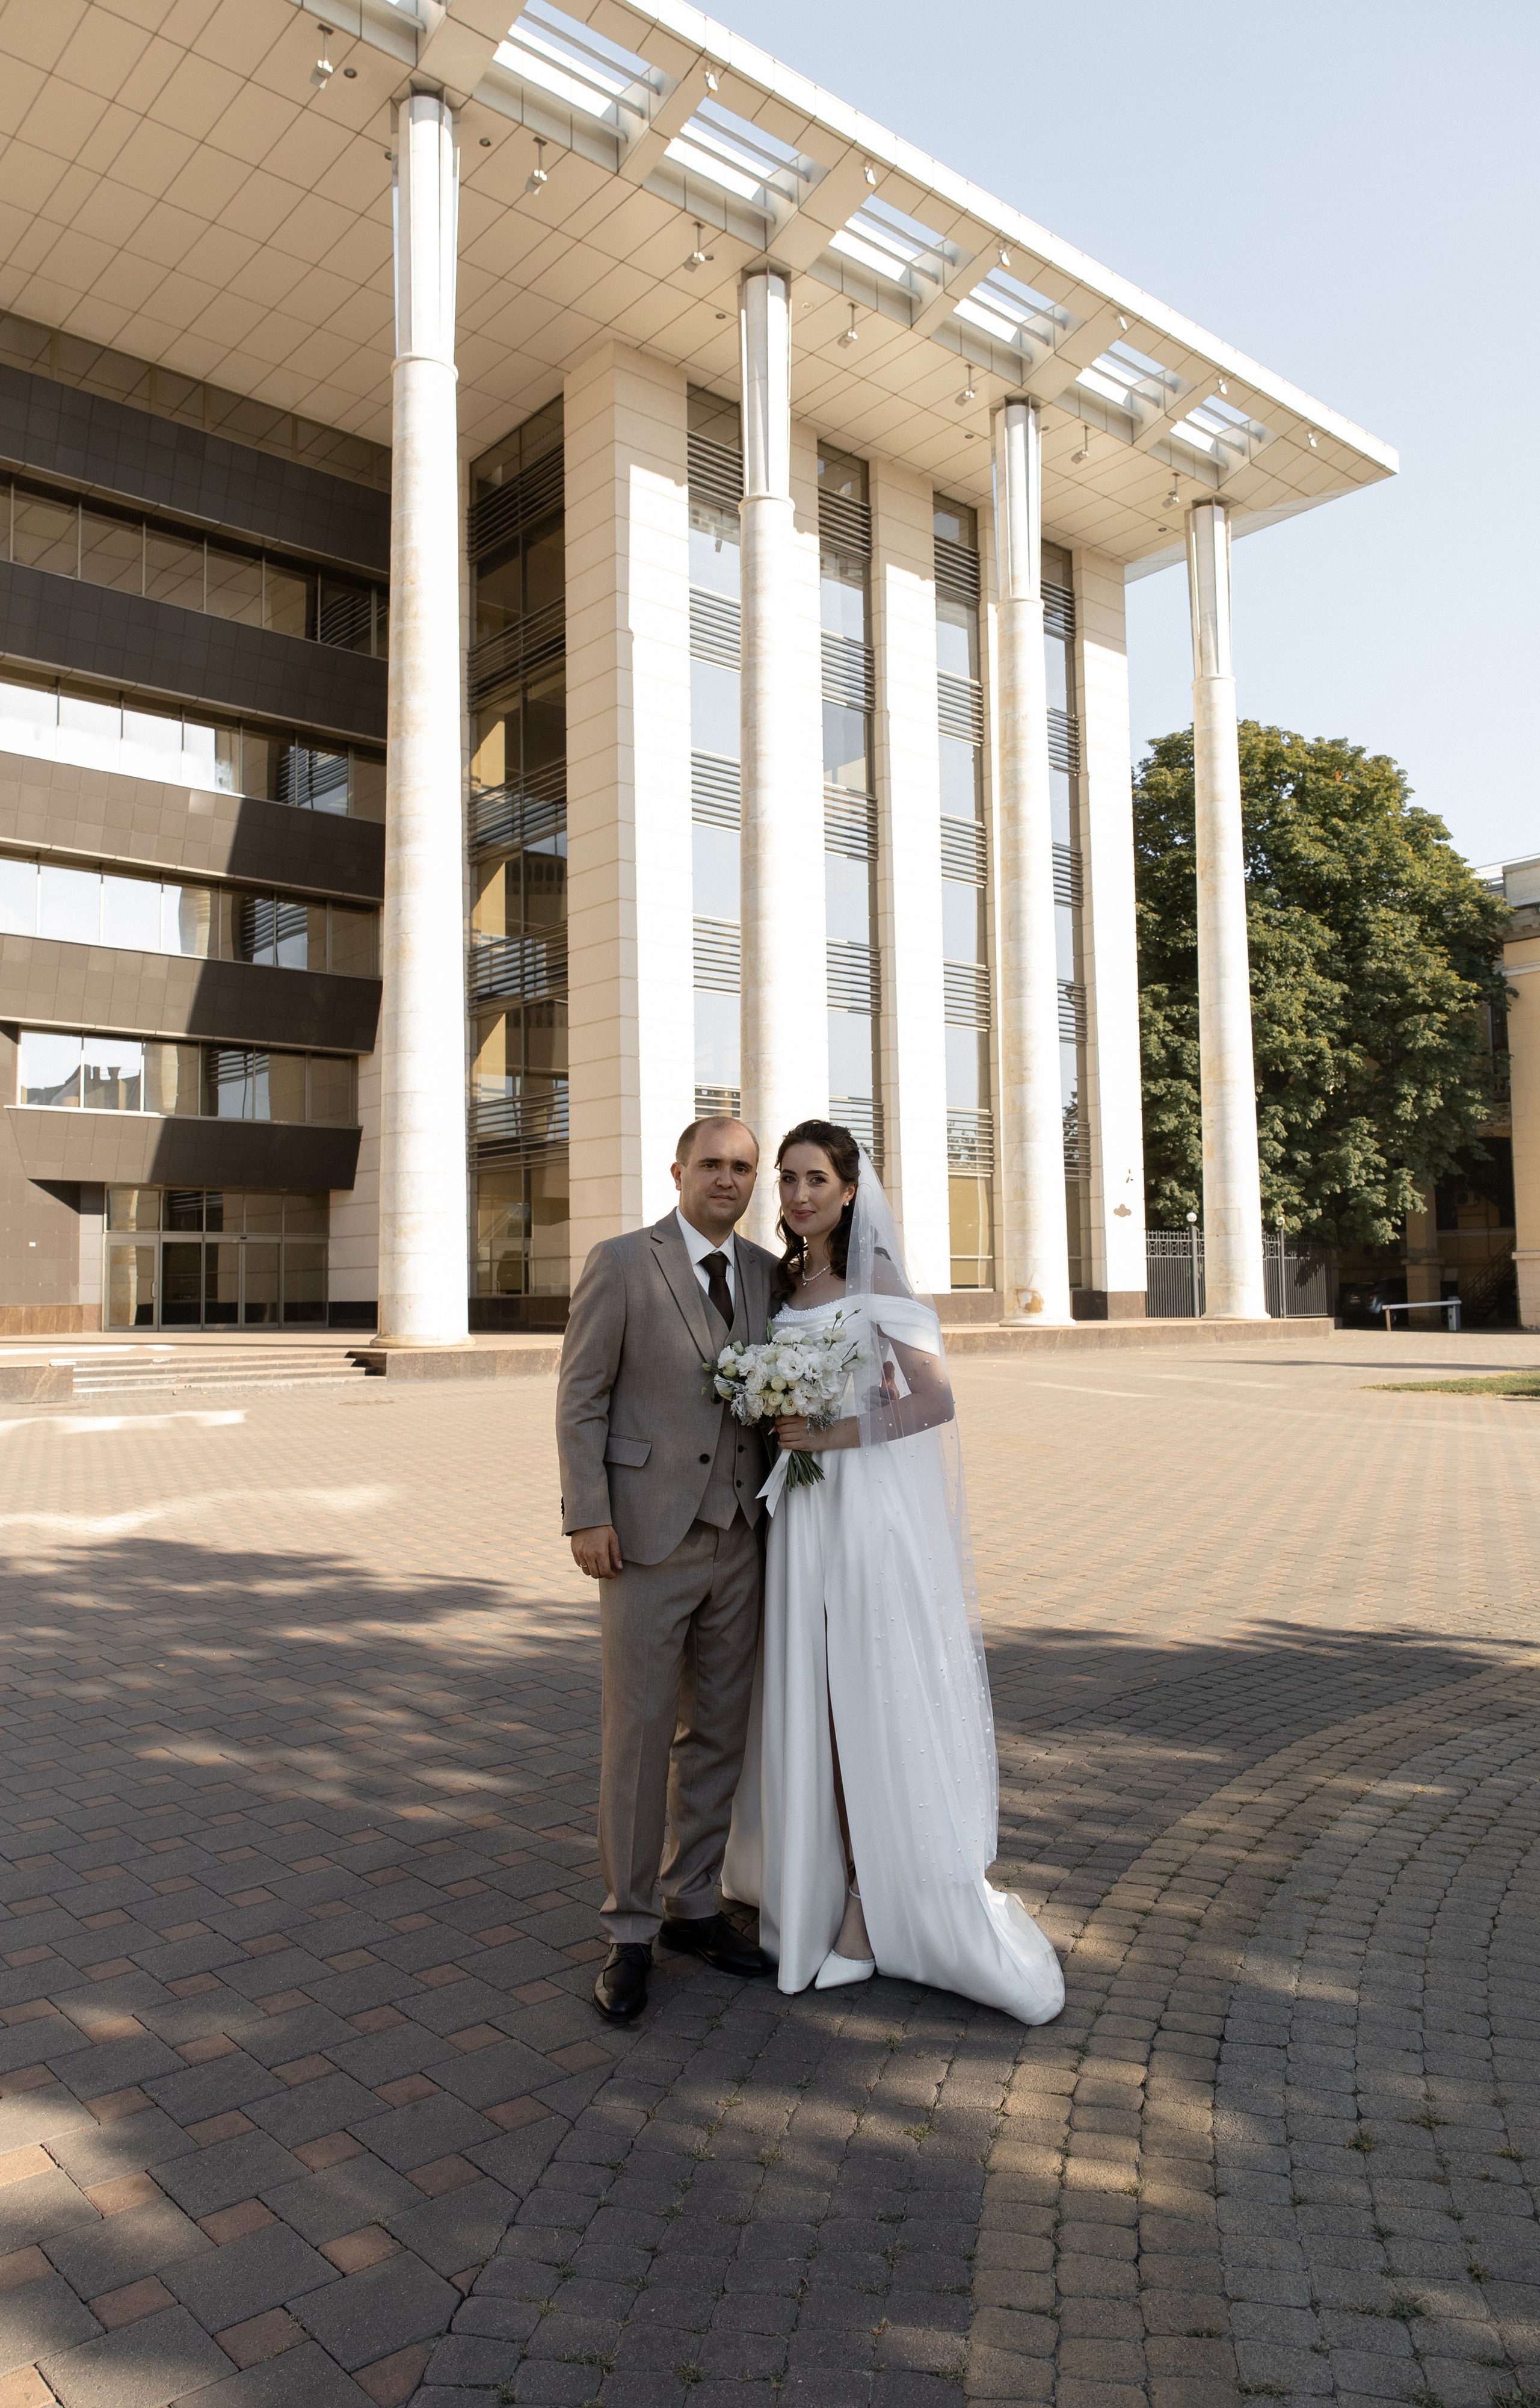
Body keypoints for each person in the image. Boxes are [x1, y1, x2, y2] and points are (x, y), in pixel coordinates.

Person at [723, 1120, 1065, 2025]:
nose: (797, 1195)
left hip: (864, 1517)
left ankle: (873, 1915)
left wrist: (824, 1432)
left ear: (849, 1189)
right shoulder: (783, 1280)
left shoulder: (878, 1281)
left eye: (815, 1180)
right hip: (801, 1517)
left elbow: (936, 1396)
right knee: (814, 1698)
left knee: (868, 1698)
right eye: (788, 1180)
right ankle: (817, 1886)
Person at [556, 1117, 778, 2024]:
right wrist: (589, 1514)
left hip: (743, 1536)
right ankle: (630, 1930)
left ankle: (694, 1904)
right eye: (713, 1165)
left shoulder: (769, 1273)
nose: (727, 1180)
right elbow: (580, 1399)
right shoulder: (622, 1262)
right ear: (678, 1170)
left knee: (720, 1732)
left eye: (742, 1167)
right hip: (643, 1539)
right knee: (640, 1738)